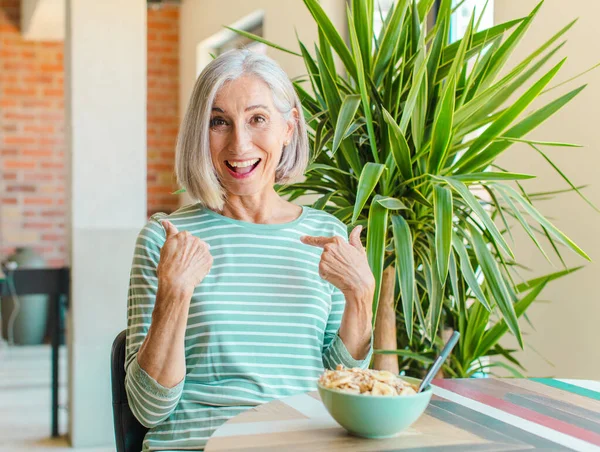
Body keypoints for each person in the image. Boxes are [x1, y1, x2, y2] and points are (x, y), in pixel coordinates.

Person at [125, 49, 375, 451]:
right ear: (199, 134)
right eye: (219, 122)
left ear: (289, 127)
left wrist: (361, 296)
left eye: (257, 119)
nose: (239, 143)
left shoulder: (327, 234)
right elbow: (147, 409)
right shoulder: (166, 238)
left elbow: (343, 387)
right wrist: (175, 294)